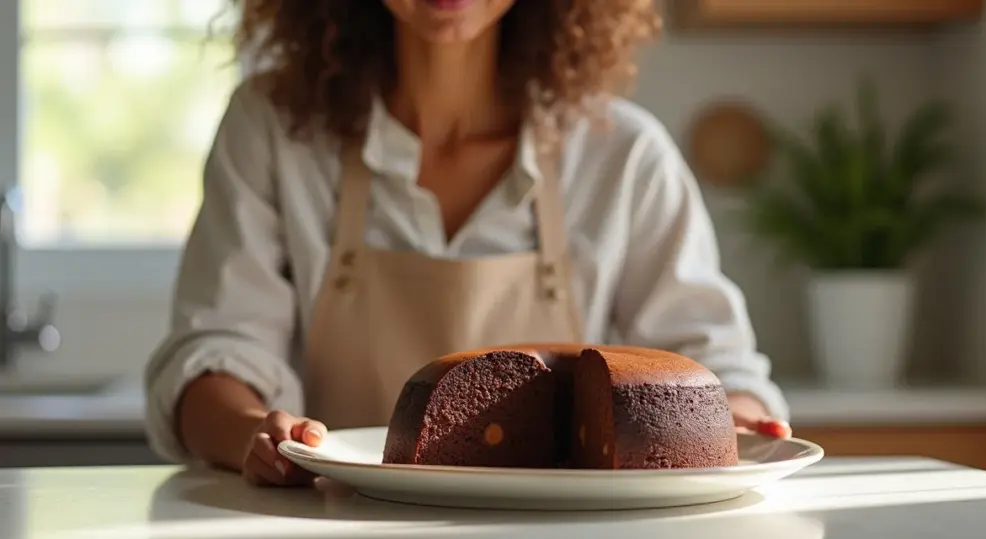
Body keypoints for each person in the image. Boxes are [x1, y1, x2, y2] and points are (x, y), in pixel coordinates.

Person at [145, 0, 792, 488]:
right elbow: (214, 353)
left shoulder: (623, 155)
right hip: (339, 521)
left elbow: (716, 370)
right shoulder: (273, 129)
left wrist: (731, 423)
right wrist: (257, 434)